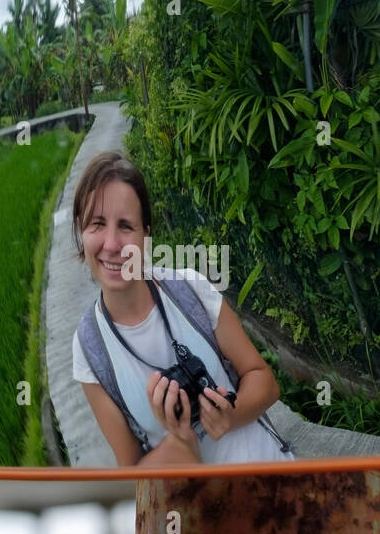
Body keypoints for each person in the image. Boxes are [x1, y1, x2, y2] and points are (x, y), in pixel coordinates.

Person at [70, 151, 296, 467]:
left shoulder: (189, 289)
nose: (111, 244)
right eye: (97, 224)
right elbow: (131, 469)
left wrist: (230, 415)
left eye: (125, 226)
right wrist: (180, 444)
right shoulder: (90, 349)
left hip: (267, 471)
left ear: (146, 235)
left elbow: (265, 382)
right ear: (81, 231)